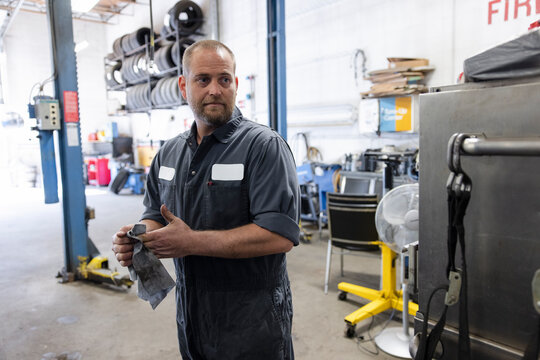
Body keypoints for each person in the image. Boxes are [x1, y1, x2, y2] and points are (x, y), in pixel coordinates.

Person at [112, 39, 300, 360]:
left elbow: (280, 235)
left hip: (253, 320)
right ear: (184, 86)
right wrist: (138, 236)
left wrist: (191, 243)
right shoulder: (169, 153)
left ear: (235, 85)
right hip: (192, 315)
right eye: (203, 80)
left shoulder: (263, 146)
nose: (215, 89)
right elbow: (155, 212)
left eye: (224, 79)